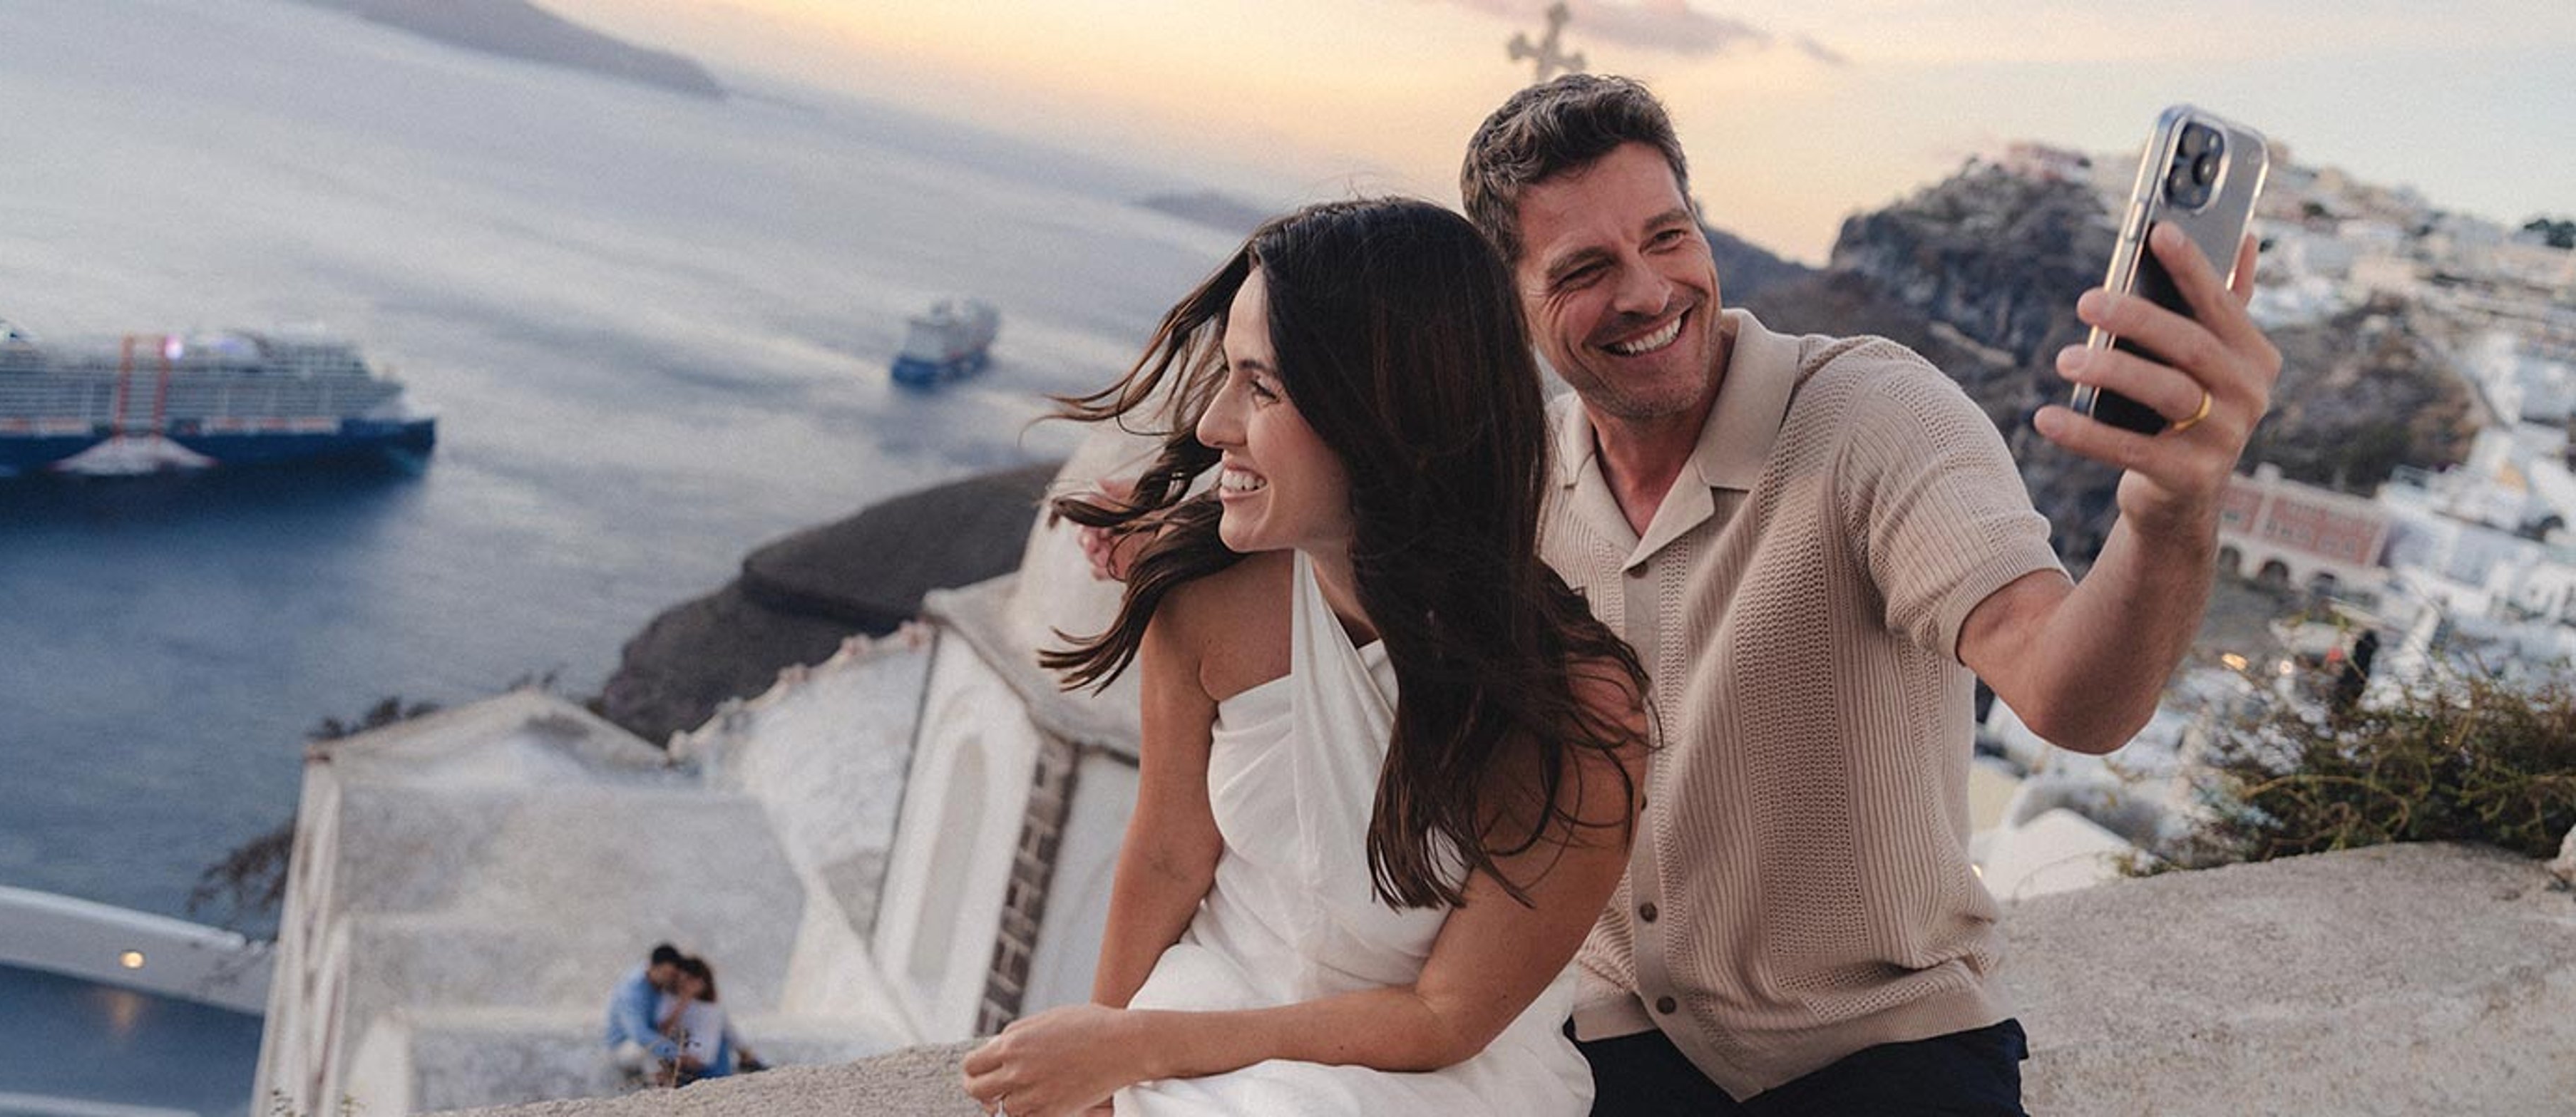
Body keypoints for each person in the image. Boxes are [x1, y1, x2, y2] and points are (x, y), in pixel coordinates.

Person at [1451, 76, 2283, 1114]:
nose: (1648, 290)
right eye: (1585, 268)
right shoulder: (1523, 480)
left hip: (1882, 1050)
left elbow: (2072, 695)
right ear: (1509, 304)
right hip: (1614, 1036)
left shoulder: (1875, 415)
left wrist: (2170, 513)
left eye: (1668, 237)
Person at [960, 197, 1651, 1117]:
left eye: (1263, 386)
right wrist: (1102, 1053)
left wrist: (1143, 1046)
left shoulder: (1577, 717)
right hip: (1217, 994)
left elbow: (1445, 1018)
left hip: (1422, 1074)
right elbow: (1169, 852)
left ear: (1389, 417)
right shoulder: (1204, 595)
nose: (1211, 424)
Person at [605, 942, 684, 1081]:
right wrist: (676, 1054)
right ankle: (659, 1091)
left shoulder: (661, 986)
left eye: (672, 975)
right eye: (665, 973)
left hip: (654, 1038)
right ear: (652, 967)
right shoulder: (632, 991)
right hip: (624, 1045)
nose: (668, 978)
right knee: (651, 1049)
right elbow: (639, 1033)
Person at [655, 954, 737, 1085]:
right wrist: (683, 1001)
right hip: (683, 1062)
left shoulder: (713, 1007)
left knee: (721, 1043)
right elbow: (663, 1031)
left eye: (692, 980)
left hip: (711, 1061)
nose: (688, 985)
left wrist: (746, 1053)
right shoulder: (670, 1001)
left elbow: (730, 1032)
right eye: (684, 980)